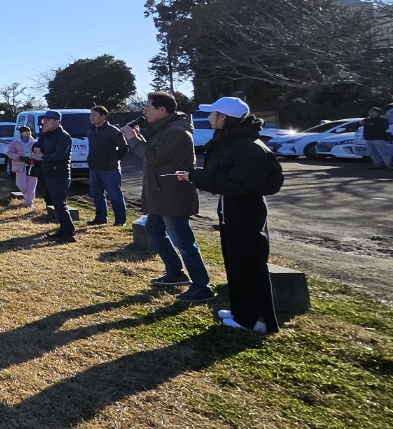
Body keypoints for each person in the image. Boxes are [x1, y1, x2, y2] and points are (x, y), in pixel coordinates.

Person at [181, 97, 285, 334]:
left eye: (213, 113)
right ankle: (241, 311)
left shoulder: (246, 146)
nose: (208, 118)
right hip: (232, 211)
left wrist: (194, 177)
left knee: (249, 264)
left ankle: (256, 319)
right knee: (235, 263)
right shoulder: (233, 142)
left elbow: (236, 184)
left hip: (246, 212)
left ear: (224, 118)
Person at [122, 92, 213, 303]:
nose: (143, 112)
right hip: (161, 193)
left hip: (172, 194)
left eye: (148, 108)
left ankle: (202, 286)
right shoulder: (165, 129)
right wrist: (139, 139)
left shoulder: (178, 132)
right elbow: (153, 151)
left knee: (183, 241)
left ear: (162, 110)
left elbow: (153, 156)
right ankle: (175, 272)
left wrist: (133, 140)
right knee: (154, 228)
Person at [34, 111, 75, 243]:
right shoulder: (47, 135)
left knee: (60, 204)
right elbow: (40, 147)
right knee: (56, 204)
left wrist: (43, 156)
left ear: (57, 121)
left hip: (59, 174)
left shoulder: (63, 136)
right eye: (44, 119)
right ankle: (63, 229)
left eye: (49, 119)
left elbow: (60, 155)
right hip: (48, 173)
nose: (45, 122)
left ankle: (68, 232)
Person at [86, 105, 128, 225]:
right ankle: (101, 218)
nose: (91, 117)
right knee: (97, 194)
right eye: (90, 115)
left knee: (115, 195)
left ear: (103, 117)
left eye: (94, 115)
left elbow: (124, 148)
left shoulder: (113, 131)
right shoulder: (90, 130)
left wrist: (113, 158)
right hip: (94, 167)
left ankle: (120, 220)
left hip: (110, 169)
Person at [5, 126, 38, 207]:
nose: (28, 133)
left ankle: (29, 203)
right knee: (20, 184)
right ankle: (27, 196)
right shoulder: (15, 143)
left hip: (32, 165)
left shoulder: (35, 142)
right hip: (20, 165)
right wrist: (19, 157)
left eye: (29, 131)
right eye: (26, 131)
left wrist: (34, 158)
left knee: (32, 184)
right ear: (21, 133)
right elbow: (9, 153)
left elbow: (39, 152)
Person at [360, 105, 392, 170]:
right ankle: (377, 164)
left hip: (379, 139)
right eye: (369, 111)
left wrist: (373, 125)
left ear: (377, 113)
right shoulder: (367, 120)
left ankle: (388, 165)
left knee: (383, 153)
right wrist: (361, 123)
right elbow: (358, 124)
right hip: (369, 139)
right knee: (372, 153)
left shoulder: (382, 120)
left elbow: (385, 127)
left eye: (372, 111)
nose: (370, 112)